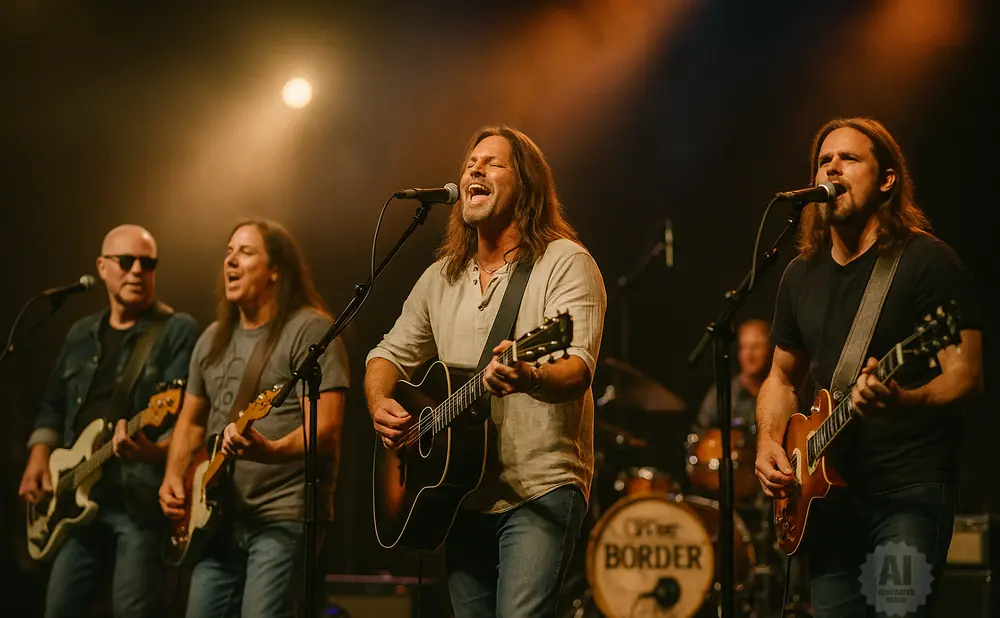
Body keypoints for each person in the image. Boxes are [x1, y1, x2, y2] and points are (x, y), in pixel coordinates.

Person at [364, 126, 607, 618]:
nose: (474, 169)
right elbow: (386, 353)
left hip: (539, 489)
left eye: (492, 163)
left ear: (527, 186)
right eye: (470, 162)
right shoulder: (442, 276)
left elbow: (577, 368)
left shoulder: (565, 262)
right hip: (459, 495)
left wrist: (529, 376)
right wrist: (379, 402)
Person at [755, 117, 983, 617]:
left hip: (907, 487)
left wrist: (906, 399)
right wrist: (770, 442)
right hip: (828, 501)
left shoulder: (927, 262)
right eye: (824, 159)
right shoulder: (799, 275)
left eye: (849, 158)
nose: (833, 167)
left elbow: (966, 373)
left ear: (887, 180)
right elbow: (780, 377)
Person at [159, 219, 349, 618]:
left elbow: (327, 428)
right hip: (217, 519)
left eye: (245, 252)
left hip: (282, 516)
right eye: (228, 251)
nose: (231, 259)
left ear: (275, 269)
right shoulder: (211, 338)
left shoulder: (309, 329)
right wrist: (173, 478)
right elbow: (192, 422)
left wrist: (271, 450)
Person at [18, 224, 200, 618]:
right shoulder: (81, 333)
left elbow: (187, 419)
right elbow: (52, 403)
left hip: (135, 500)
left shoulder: (176, 330)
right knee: (58, 607)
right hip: (74, 495)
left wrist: (152, 450)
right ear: (101, 267)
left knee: (133, 609)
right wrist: (38, 456)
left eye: (148, 263)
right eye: (126, 261)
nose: (137, 270)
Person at [697, 318, 773, 429]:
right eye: (744, 347)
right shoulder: (722, 394)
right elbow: (701, 433)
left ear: (770, 349)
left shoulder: (782, 391)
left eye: (756, 347)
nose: (749, 356)